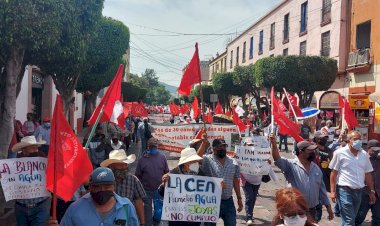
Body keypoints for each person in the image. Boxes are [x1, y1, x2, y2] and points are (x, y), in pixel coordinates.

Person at [269, 134, 333, 222]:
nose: (313, 153)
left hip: (312, 211)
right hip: (294, 211)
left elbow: (322, 191)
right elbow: (277, 159)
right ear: (301, 151)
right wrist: (274, 144)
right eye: (310, 150)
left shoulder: (316, 168)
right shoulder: (290, 165)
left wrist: (329, 208)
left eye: (314, 150)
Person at [47, 167, 139, 226]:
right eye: (97, 187)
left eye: (107, 186)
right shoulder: (75, 208)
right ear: (90, 187)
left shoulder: (127, 207)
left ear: (114, 186)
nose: (102, 190)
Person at [329, 130, 376, 226]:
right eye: (355, 139)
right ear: (349, 140)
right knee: (349, 221)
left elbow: (367, 174)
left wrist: (371, 190)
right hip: (345, 190)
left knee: (351, 219)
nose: (358, 141)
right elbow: (333, 173)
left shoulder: (364, 155)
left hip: (359, 191)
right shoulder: (339, 153)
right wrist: (333, 192)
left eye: (360, 139)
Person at [198, 138, 243, 226]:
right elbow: (196, 159)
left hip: (228, 201)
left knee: (231, 224)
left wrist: (239, 198)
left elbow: (235, 180)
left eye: (224, 146)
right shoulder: (207, 160)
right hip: (211, 202)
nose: (222, 148)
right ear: (213, 149)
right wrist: (203, 143)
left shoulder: (233, 162)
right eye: (219, 147)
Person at [11, 136, 51, 226]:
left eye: (36, 147)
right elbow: (9, 181)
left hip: (41, 205)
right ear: (24, 149)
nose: (36, 149)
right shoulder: (14, 164)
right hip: (21, 207)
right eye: (32, 147)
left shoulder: (43, 159)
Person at [101, 150, 146, 225]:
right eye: (121, 164)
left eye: (126, 164)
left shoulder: (133, 180)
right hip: (108, 220)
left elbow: (139, 201)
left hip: (128, 220)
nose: (125, 166)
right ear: (112, 166)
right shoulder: (104, 181)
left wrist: (142, 223)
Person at [160, 147, 204, 226]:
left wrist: (218, 186)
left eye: (196, 161)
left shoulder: (200, 174)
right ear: (185, 162)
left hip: (193, 217)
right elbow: (162, 194)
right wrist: (164, 185)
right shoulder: (173, 174)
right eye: (193, 161)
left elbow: (209, 190)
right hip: (177, 217)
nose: (196, 163)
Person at [135, 137, 169, 226]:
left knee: (159, 212)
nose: (153, 148)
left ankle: (156, 223)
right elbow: (137, 175)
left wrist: (164, 182)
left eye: (154, 146)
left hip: (159, 190)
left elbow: (167, 172)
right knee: (147, 213)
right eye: (151, 147)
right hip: (146, 191)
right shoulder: (142, 159)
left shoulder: (162, 157)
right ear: (148, 147)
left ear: (157, 146)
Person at [241, 134, 272, 225]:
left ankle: (250, 213)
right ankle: (249, 217)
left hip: (257, 180)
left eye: (252, 145)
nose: (250, 146)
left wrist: (268, 163)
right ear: (245, 145)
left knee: (253, 198)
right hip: (245, 180)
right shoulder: (241, 155)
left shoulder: (259, 154)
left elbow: (265, 166)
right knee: (249, 197)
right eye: (248, 145)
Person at [355, 139, 380, 225]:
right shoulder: (361, 159)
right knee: (360, 216)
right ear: (368, 148)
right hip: (364, 193)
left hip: (378, 193)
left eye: (378, 150)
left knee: (378, 217)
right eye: (374, 150)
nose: (376, 152)